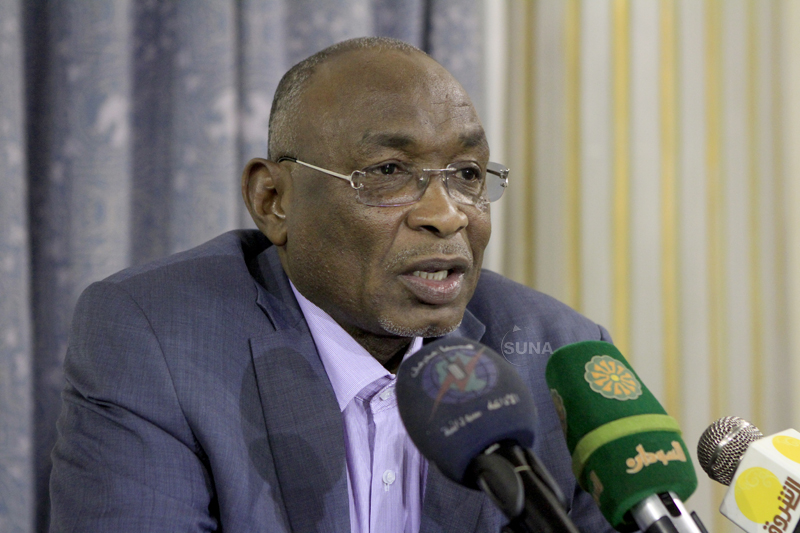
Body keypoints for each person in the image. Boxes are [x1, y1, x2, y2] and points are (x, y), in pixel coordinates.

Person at [49, 37, 615, 532]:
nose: (447, 215)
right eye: (389, 171)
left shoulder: (561, 357)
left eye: (467, 174)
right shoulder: (156, 339)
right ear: (274, 200)